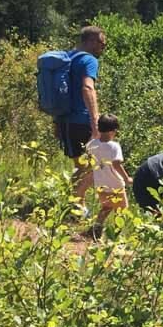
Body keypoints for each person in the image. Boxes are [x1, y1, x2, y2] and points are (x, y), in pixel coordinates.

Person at [56, 25, 107, 208]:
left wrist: (56, 121)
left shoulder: (66, 59)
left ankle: (75, 204)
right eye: (102, 44)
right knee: (99, 162)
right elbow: (87, 87)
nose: (103, 48)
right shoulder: (89, 60)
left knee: (81, 165)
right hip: (82, 121)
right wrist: (95, 122)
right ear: (91, 41)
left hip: (65, 121)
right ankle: (77, 203)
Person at [85, 114, 133, 237]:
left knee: (106, 207)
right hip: (115, 184)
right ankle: (116, 235)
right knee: (121, 210)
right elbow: (116, 163)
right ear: (114, 130)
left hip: (101, 184)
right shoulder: (114, 146)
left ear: (99, 128)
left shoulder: (91, 145)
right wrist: (126, 178)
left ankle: (95, 230)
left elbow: (89, 162)